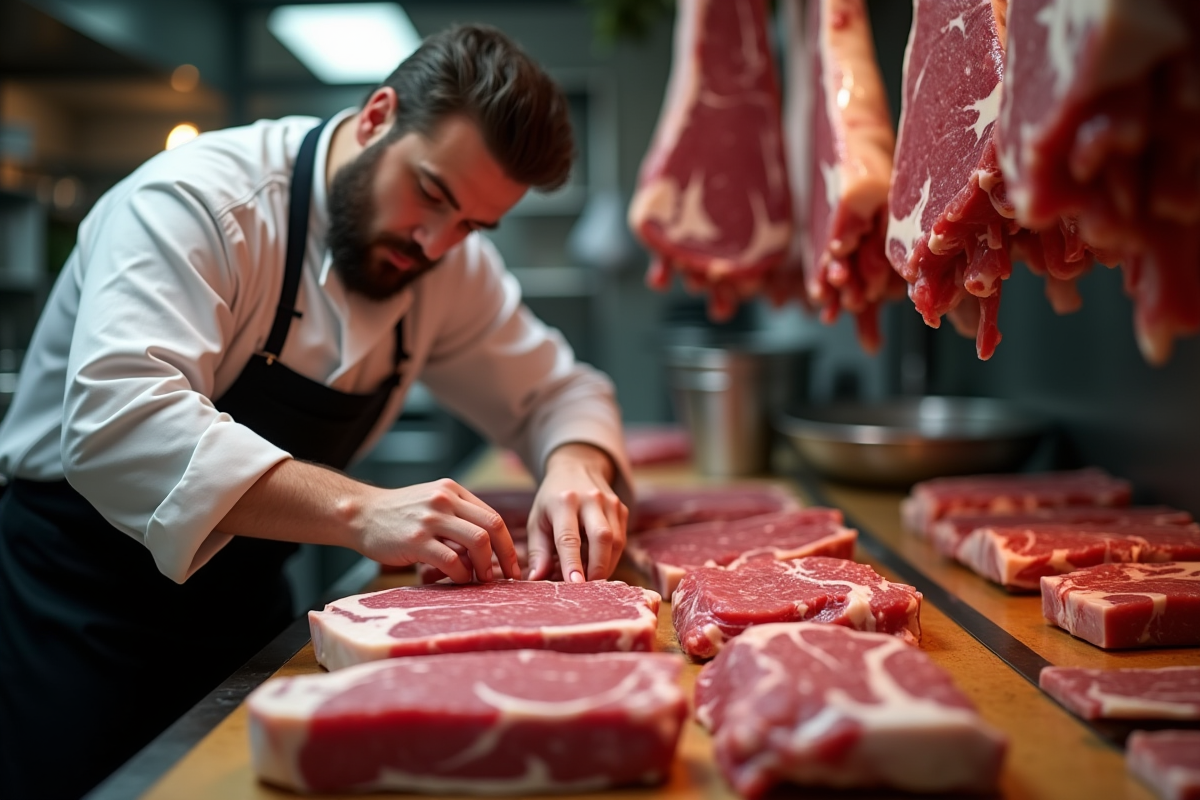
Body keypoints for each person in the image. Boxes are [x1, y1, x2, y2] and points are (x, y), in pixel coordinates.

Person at [0, 24, 632, 800]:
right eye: (431, 194)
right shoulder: (200, 203)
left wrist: (573, 462)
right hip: (80, 607)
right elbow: (120, 421)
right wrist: (360, 509)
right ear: (377, 117)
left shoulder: (450, 264)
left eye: (472, 224)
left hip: (244, 608)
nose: (436, 244)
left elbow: (560, 392)